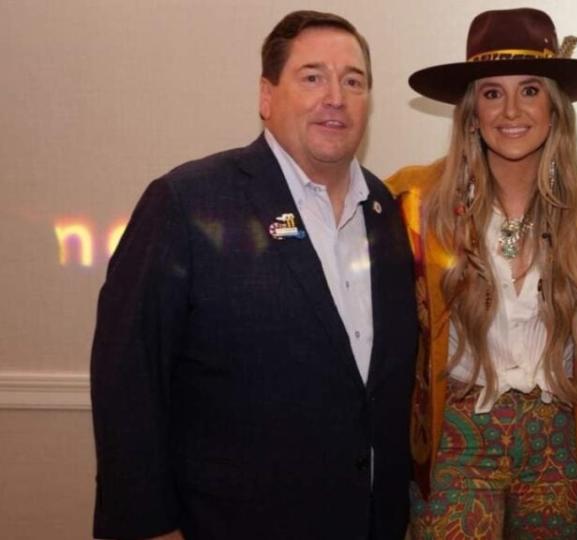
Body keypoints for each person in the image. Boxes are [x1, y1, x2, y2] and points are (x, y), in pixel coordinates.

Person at [90, 11, 417, 540]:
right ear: (267, 96)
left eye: (353, 81)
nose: (335, 96)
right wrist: (147, 528)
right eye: (312, 77)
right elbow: (129, 376)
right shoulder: (189, 202)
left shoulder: (387, 210)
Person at [387, 8, 577, 539]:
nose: (511, 110)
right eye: (492, 93)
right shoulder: (413, 202)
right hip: (456, 441)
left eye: (530, 90)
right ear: (471, 111)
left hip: (555, 442)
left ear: (555, 108)